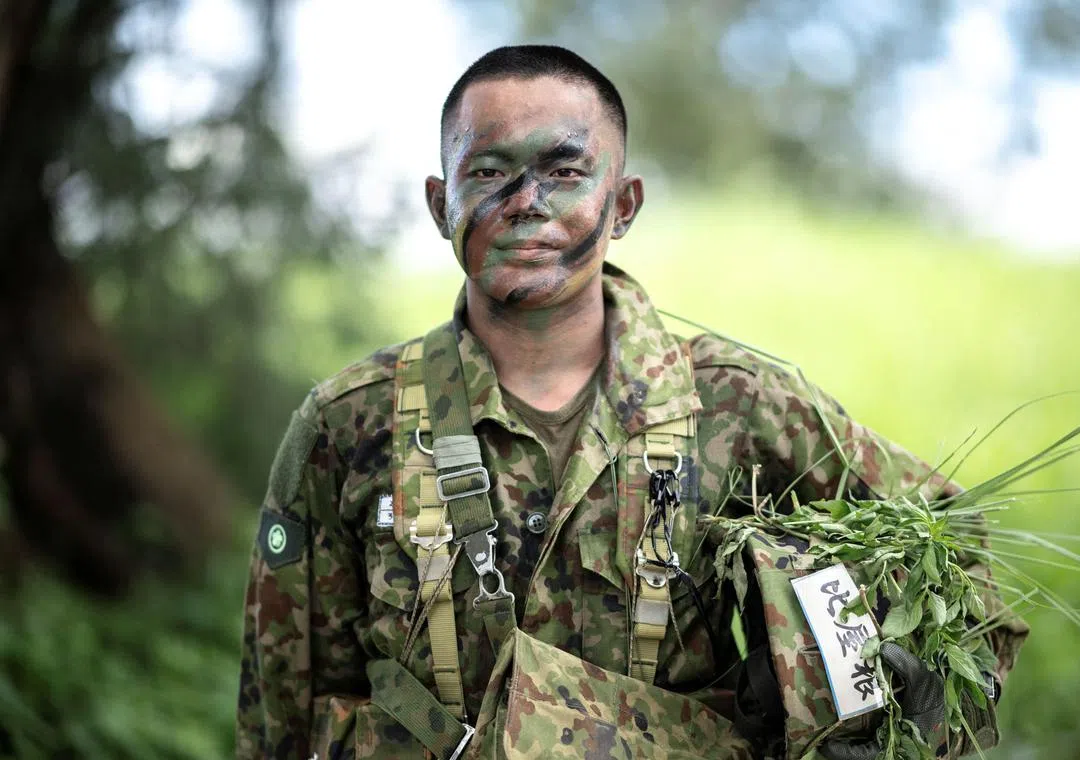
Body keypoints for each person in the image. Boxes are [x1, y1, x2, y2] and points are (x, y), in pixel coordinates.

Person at [236, 45, 1026, 759]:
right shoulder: (350, 423)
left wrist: (918, 719)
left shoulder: (734, 403)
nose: (525, 200)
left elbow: (945, 540)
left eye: (565, 171)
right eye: (488, 172)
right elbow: (287, 694)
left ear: (624, 205)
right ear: (440, 201)